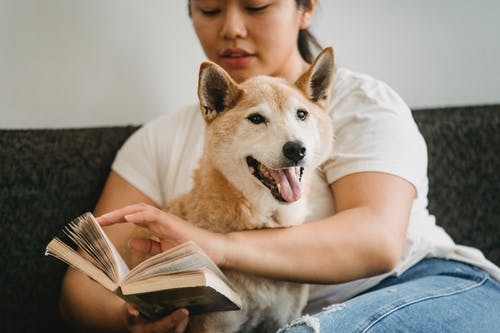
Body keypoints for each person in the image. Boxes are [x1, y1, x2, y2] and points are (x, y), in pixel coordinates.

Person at [59, 0, 500, 332]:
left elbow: (377, 240)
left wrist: (217, 246)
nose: (231, 28)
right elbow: (85, 278)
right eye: (209, 9)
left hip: (423, 284)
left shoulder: (360, 103)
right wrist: (132, 317)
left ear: (304, 8)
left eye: (256, 5)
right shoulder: (157, 139)